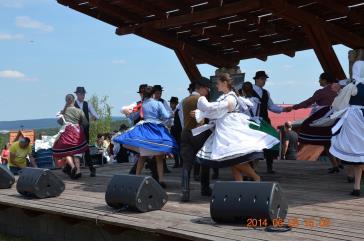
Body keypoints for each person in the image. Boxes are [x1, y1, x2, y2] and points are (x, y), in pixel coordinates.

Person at [193, 73, 280, 182]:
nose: (216, 85)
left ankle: (256, 177)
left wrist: (202, 102)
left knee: (235, 160)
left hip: (230, 130)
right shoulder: (224, 97)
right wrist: (202, 113)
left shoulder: (231, 97)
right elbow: (215, 112)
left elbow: (215, 108)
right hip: (224, 129)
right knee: (232, 160)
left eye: (218, 83)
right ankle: (240, 186)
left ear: (225, 83)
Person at [114, 86, 177, 188]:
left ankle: (137, 178)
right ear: (153, 94)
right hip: (157, 130)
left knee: (142, 157)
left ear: (144, 95)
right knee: (159, 158)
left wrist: (126, 112)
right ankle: (161, 180)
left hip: (145, 130)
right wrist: (171, 114)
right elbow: (166, 115)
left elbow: (132, 116)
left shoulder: (142, 104)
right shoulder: (158, 103)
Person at [287, 73, 340, 173]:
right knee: (335, 141)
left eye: (320, 79)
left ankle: (335, 165)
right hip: (339, 117)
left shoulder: (322, 91)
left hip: (326, 119)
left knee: (324, 141)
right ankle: (338, 163)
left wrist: (294, 107)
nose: (319, 81)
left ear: (324, 80)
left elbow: (308, 102)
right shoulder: (339, 90)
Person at [329, 50, 364, 197]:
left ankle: (356, 185)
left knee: (353, 149)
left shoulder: (352, 86)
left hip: (353, 119)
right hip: (361, 117)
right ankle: (354, 183)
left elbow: (338, 104)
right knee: (359, 152)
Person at [180, 77, 213, 202]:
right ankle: (205, 188)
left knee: (186, 163)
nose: (208, 91)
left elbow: (182, 119)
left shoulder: (184, 100)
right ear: (201, 88)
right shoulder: (201, 98)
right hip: (199, 133)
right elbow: (210, 110)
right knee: (205, 160)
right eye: (207, 88)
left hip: (185, 133)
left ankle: (185, 191)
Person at [252, 71, 290, 173]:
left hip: (264, 120)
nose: (263, 81)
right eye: (261, 79)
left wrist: (284, 109)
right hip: (251, 121)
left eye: (264, 79)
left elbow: (271, 106)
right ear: (256, 79)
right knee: (252, 144)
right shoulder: (247, 90)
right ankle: (251, 169)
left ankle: (269, 166)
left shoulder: (266, 93)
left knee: (270, 141)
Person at [52, 94, 89, 179]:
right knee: (77, 151)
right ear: (74, 100)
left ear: (66, 100)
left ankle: (72, 166)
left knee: (66, 151)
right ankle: (78, 170)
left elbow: (60, 122)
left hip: (67, 132)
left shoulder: (63, 112)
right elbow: (85, 123)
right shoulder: (79, 111)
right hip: (77, 132)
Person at [74, 87, 99, 177]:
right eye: (81, 94)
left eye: (83, 94)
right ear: (77, 94)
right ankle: (77, 170)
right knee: (76, 150)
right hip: (75, 131)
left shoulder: (87, 104)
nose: (83, 95)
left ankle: (91, 169)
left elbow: (96, 115)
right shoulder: (72, 105)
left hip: (84, 131)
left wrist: (92, 119)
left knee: (85, 150)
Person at [169, 97, 182, 168]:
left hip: (178, 130)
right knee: (174, 146)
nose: (171, 105)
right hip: (173, 130)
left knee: (179, 147)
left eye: (172, 103)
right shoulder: (171, 111)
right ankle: (177, 162)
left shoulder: (178, 111)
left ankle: (181, 162)